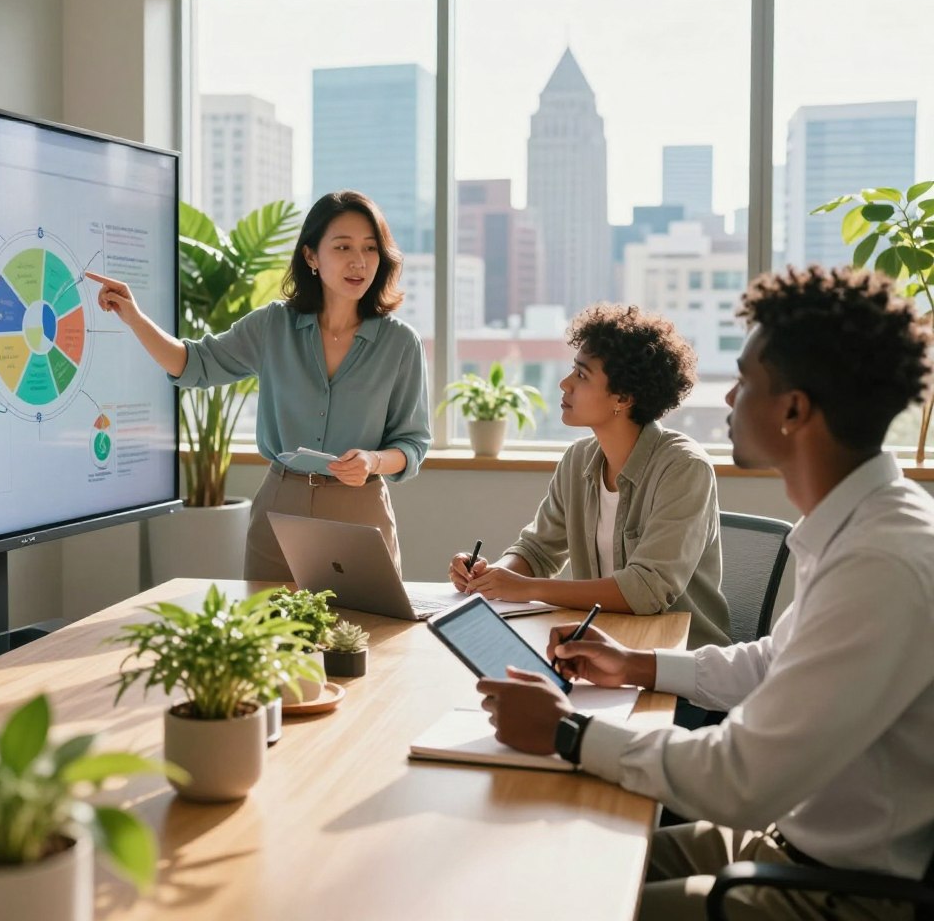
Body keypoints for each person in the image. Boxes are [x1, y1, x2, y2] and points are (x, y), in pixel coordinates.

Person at [476, 266, 934, 921]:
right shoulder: (859, 527)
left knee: (570, 903)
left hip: (832, 890)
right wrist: (636, 663)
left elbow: (742, 777)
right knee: (546, 871)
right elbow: (770, 664)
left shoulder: (883, 561)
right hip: (778, 842)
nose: (727, 399)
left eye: (745, 381)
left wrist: (567, 733)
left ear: (794, 409)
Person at [87, 190, 430, 583]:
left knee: (361, 639)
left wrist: (373, 461)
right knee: (269, 636)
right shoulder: (273, 326)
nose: (359, 261)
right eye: (343, 246)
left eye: (371, 249)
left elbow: (412, 443)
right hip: (281, 507)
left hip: (360, 510)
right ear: (311, 256)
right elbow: (194, 363)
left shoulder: (401, 343)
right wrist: (134, 317)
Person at [448, 303, 731, 651]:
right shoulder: (577, 459)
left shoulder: (684, 468)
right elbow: (537, 551)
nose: (565, 384)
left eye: (582, 376)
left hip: (680, 664)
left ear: (623, 398)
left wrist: (525, 587)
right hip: (600, 649)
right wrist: (490, 578)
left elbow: (646, 591)